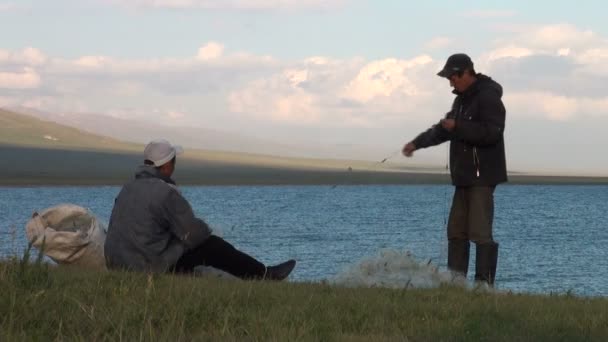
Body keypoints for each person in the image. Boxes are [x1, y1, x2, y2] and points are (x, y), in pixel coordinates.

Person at [104, 139, 296, 280]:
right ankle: (264, 275)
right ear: (168, 165)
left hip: (116, 265)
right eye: (174, 161)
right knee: (212, 245)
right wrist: (206, 229)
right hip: (146, 267)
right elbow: (193, 234)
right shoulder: (165, 192)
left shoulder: (127, 187)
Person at [402, 53, 507, 286]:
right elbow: (443, 130)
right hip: (463, 178)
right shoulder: (461, 100)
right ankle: (455, 285)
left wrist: (459, 126)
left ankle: (483, 287)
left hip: (482, 177)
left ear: (466, 72)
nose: (450, 82)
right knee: (456, 232)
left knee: (480, 234)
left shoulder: (488, 96)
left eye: (452, 77)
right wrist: (416, 144)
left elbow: (492, 133)